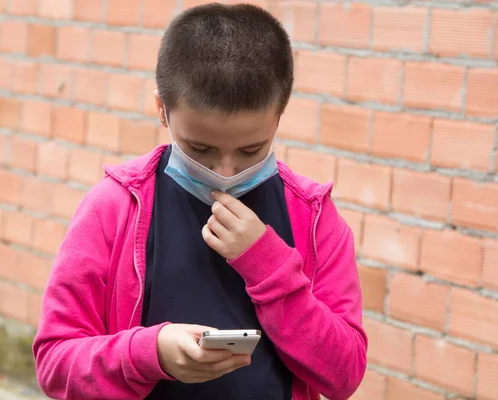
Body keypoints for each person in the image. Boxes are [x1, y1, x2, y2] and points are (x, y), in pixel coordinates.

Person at [32, 3, 367, 400]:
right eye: (201, 148)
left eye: (250, 149)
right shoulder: (113, 207)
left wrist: (268, 263)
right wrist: (149, 353)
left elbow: (344, 374)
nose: (225, 171)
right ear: (162, 110)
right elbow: (54, 363)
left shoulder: (312, 217)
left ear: (278, 116)